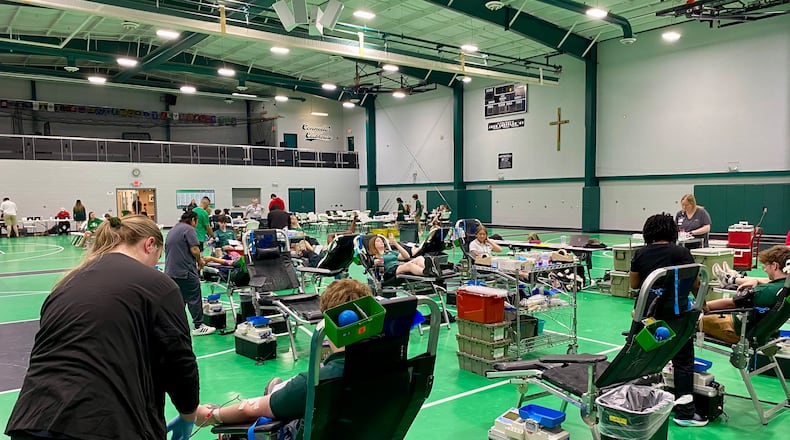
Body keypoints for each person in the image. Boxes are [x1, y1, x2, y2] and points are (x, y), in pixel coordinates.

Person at [4, 215, 200, 440]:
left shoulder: (65, 284)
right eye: (157, 258)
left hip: (31, 420)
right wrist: (188, 415)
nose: (156, 265)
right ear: (149, 244)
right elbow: (179, 362)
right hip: (104, 424)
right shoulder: (158, 285)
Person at [192, 279, 372, 433]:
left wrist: (212, 415)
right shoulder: (386, 362)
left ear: (328, 322)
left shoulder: (315, 383)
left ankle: (275, 393)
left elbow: (247, 410)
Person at [629, 213, 706, 427]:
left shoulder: (640, 254)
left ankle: (636, 406)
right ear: (672, 232)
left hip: (648, 319)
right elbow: (695, 284)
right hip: (677, 318)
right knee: (683, 363)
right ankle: (684, 414)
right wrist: (704, 304)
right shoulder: (683, 253)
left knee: (639, 360)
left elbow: (634, 284)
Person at [702, 245, 790, 344]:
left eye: (766, 266)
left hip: (741, 331)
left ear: (775, 266)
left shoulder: (765, 291)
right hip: (766, 331)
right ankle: (732, 279)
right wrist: (756, 280)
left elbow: (731, 303)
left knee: (693, 321)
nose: (765, 270)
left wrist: (701, 306)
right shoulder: (785, 288)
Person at [165, 210, 215, 336]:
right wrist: (200, 261)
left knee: (179, 300)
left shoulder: (173, 230)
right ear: (193, 220)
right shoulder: (189, 229)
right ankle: (198, 325)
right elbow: (194, 249)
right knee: (194, 296)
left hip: (171, 272)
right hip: (185, 271)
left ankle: (176, 325)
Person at [367, 234, 440, 281]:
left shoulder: (391, 252)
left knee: (419, 258)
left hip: (399, 265)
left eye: (382, 241)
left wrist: (396, 244)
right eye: (378, 241)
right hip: (390, 271)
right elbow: (374, 264)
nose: (381, 242)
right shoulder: (376, 256)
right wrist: (376, 263)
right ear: (373, 245)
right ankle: (425, 272)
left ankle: (431, 270)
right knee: (409, 265)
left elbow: (406, 256)